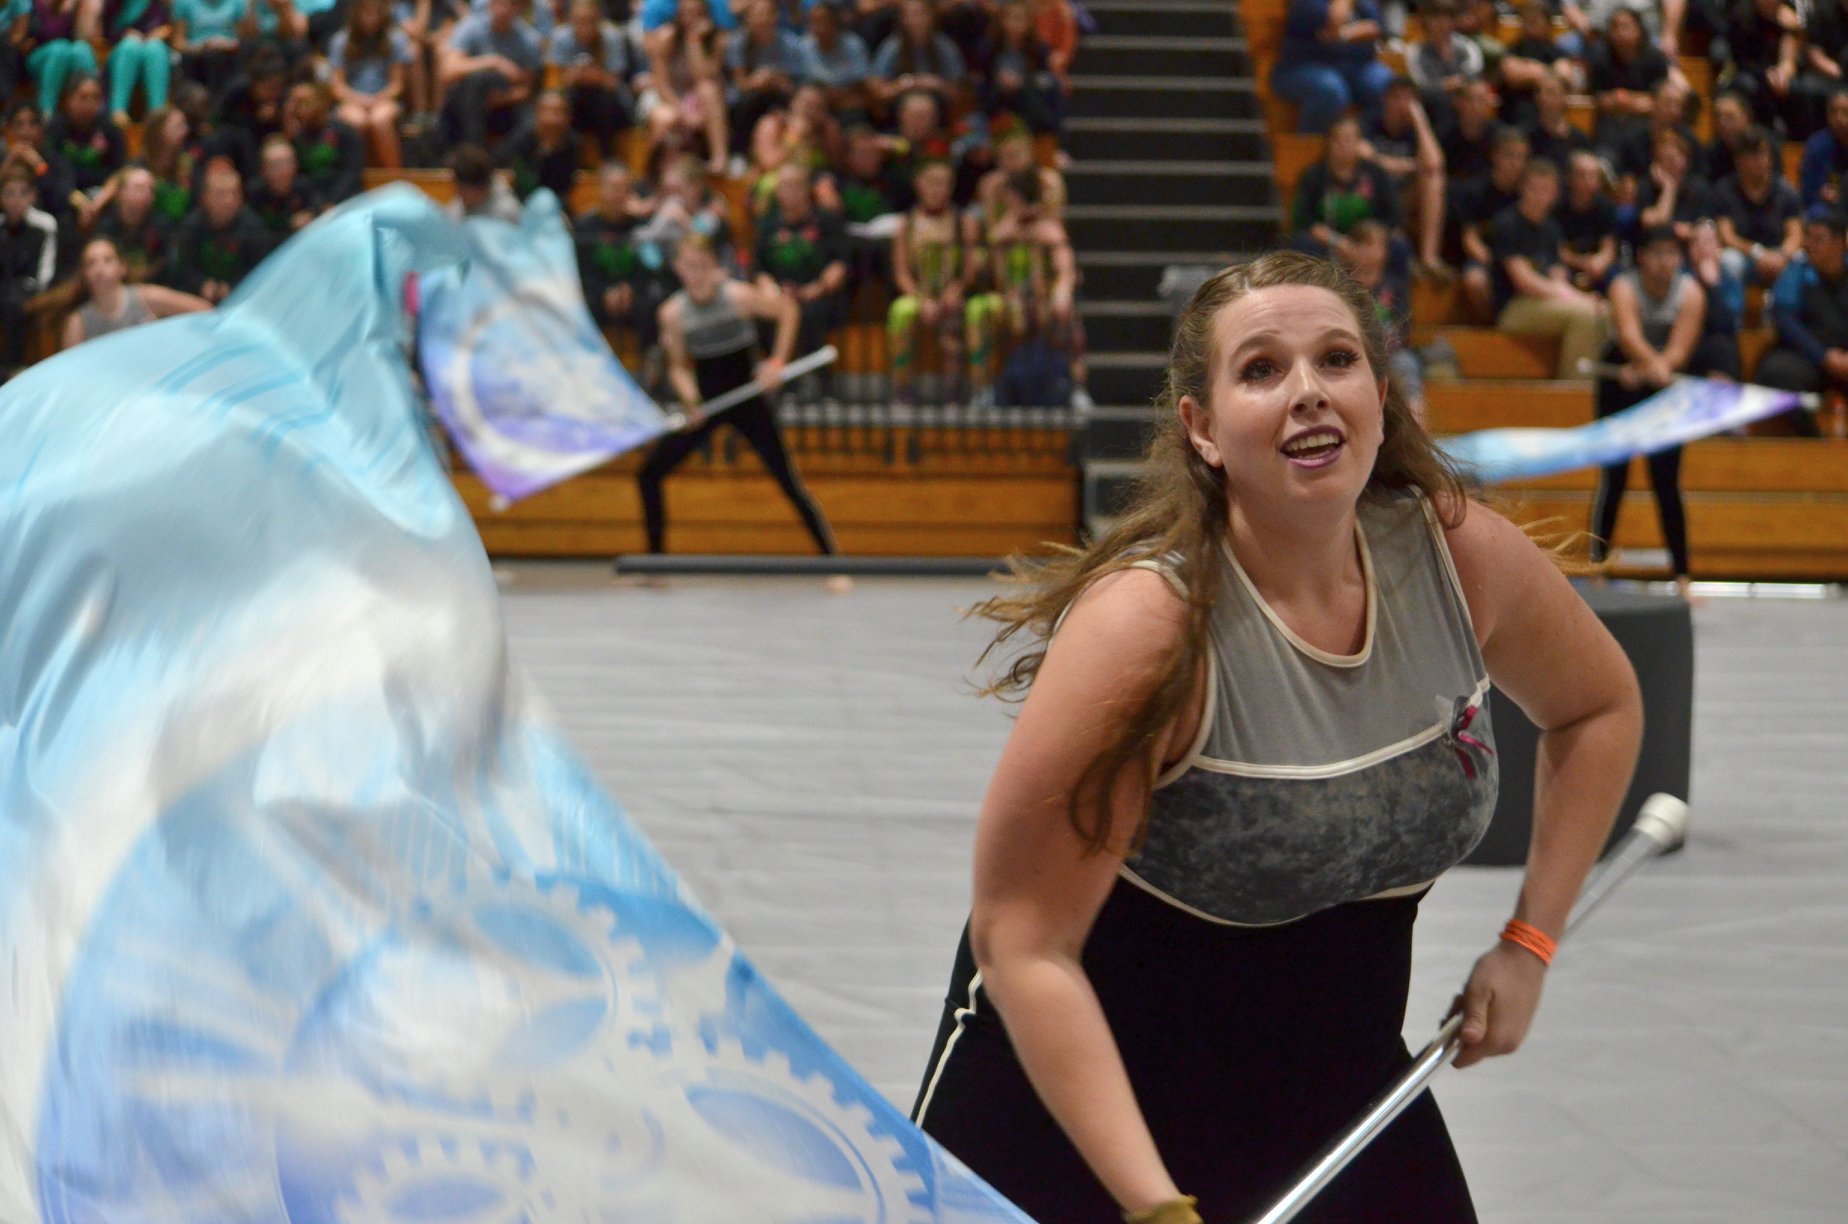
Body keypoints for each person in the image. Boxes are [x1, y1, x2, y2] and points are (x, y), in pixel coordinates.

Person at [911, 250, 1644, 1223]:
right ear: (1202, 429)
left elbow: (1599, 709)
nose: (1308, 391)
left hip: (1337, 1089)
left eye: (1337, 359)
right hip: (1074, 1110)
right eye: (1261, 370)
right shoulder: (1148, 628)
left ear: (1380, 395)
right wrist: (1155, 1208)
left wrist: (1530, 942)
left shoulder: (1460, 558)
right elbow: (1023, 944)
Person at [640, 232, 838, 554]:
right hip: (709, 403)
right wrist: (691, 400)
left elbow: (788, 310)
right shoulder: (672, 313)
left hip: (748, 399)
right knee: (649, 474)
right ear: (677, 268)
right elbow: (678, 366)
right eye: (689, 267)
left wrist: (776, 362)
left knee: (788, 481)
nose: (696, 275)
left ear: (714, 265)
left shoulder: (738, 296)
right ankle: (654, 563)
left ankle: (832, 562)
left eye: (702, 266)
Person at [1592, 225, 1730, 596]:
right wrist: (1647, 366)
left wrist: (1658, 369)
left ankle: (1682, 576)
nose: (1665, 262)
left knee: (1667, 481)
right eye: (1657, 253)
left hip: (1664, 382)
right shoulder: (1623, 287)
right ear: (1641, 257)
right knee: (1614, 477)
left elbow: (1681, 347)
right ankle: (1597, 570)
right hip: (1619, 383)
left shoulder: (1691, 292)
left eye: (1671, 254)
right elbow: (1628, 336)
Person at [1490, 157, 1610, 378]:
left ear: (1555, 194)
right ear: (1522, 188)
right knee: (1585, 315)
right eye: (1533, 188)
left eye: (1546, 190)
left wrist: (1579, 297)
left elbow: (1558, 276)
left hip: (1546, 302)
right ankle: (1574, 390)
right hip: (1514, 307)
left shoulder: (1551, 229)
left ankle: (1594, 387)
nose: (1539, 195)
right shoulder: (1508, 224)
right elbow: (1524, 281)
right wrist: (1576, 300)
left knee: (1603, 312)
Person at [888, 157, 982, 405]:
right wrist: (922, 299)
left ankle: (953, 392)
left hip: (952, 294)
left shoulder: (964, 222)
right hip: (918, 294)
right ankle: (902, 389)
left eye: (943, 183)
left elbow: (969, 270)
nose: (937, 189)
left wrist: (954, 291)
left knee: (955, 313)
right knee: (900, 311)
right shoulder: (906, 224)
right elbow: (901, 273)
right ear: (918, 184)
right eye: (931, 182)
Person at [1756, 206, 1847, 434]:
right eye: (1808, 238)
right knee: (1775, 373)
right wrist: (1824, 356)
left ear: (1839, 243)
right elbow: (1784, 319)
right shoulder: (1797, 271)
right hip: (1809, 358)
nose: (1809, 245)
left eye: (1819, 239)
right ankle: (1813, 439)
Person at [1271, 0, 1395, 134]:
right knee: (1330, 89)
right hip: (1302, 68)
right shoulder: (1306, 3)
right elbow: (1334, 22)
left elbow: (1376, 28)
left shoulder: (1364, 4)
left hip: (1356, 68)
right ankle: (1311, 144)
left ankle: (1366, 140)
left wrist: (1343, 35)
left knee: (1386, 84)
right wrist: (1354, 30)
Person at [62, 234, 208, 347]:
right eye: (91, 263)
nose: (99, 270)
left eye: (107, 260)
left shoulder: (147, 297)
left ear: (122, 267)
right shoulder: (78, 323)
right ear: (83, 274)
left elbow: (204, 309)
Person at [1290, 113, 1401, 260]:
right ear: (1329, 142)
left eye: (1349, 139)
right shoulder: (1314, 175)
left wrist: (1373, 240)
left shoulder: (1376, 173)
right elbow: (1303, 220)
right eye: (1338, 140)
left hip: (1369, 240)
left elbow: (1393, 217)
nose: (1343, 146)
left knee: (1399, 246)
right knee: (1303, 243)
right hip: (1328, 241)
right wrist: (1338, 242)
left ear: (1359, 143)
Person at [1363, 77, 1446, 272]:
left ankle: (1429, 258)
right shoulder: (1371, 121)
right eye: (1397, 98)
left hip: (1405, 196)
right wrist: (1411, 166)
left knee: (1434, 180)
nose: (1403, 105)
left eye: (1409, 99)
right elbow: (1364, 156)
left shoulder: (1416, 129)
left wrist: (1420, 122)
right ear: (1386, 99)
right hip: (1375, 194)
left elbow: (1434, 164)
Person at [439, 0, 543, 151]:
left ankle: (494, 159)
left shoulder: (529, 39)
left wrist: (503, 99)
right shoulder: (470, 28)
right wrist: (493, 61)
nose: (506, 8)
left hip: (506, 102)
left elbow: (526, 90)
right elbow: (448, 72)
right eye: (501, 2)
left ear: (522, 8)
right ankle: (473, 149)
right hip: (466, 102)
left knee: (532, 122)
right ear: (491, 4)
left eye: (513, 4)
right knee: (478, 80)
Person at [167, 159, 271, 303]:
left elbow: (260, 269)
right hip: (196, 299)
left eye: (234, 194)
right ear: (206, 198)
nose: (228, 200)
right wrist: (201, 284)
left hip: (242, 299)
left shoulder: (253, 226)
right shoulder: (191, 226)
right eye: (221, 194)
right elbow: (183, 267)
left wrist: (233, 286)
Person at [1714, 126, 1803, 285]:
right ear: (1739, 160)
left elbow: (1795, 234)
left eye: (1763, 153)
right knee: (1728, 260)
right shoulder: (1725, 190)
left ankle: (1783, 301)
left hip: (1778, 254)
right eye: (1752, 155)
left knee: (1801, 258)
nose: (1760, 160)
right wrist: (1758, 253)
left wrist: (1781, 255)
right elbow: (1727, 236)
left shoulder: (1785, 190)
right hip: (1746, 255)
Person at [329, 0, 413, 169]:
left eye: (375, 13)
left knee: (380, 120)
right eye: (366, 13)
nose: (371, 18)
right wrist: (360, 100)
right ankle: (353, 176)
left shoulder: (395, 39)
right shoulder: (340, 40)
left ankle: (395, 176)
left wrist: (377, 99)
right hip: (352, 100)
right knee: (356, 121)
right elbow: (337, 87)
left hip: (384, 99)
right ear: (356, 13)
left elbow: (397, 85)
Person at [549, 0, 632, 157]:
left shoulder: (612, 37)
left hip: (610, 105)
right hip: (575, 103)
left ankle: (608, 157)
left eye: (590, 21)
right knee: (562, 103)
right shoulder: (561, 37)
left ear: (599, 19)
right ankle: (567, 158)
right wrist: (574, 77)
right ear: (570, 20)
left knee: (601, 98)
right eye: (580, 21)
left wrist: (595, 77)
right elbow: (556, 83)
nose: (585, 27)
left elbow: (614, 83)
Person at [1, 162, 58, 379]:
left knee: (13, 302)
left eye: (22, 193)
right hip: (4, 287)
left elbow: (46, 269)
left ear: (32, 195)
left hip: (31, 288)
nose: (16, 200)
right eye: (9, 193)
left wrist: (37, 290)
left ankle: (14, 367)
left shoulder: (44, 224)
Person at [284, 82, 365, 205]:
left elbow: (351, 173)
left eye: (304, 102)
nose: (299, 108)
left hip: (344, 200)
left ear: (321, 102)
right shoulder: (294, 138)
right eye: (294, 103)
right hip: (311, 203)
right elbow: (299, 178)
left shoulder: (345, 132)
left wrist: (331, 202)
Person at [501, 88, 581, 200]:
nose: (553, 119)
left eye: (558, 112)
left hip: (557, 200)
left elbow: (566, 184)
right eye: (548, 111)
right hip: (522, 198)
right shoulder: (522, 139)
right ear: (537, 113)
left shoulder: (572, 142)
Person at [1557, 149, 1620, 291]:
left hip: (1597, 264)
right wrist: (1582, 263)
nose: (1588, 181)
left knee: (1618, 281)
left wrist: (1600, 262)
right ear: (1570, 177)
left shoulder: (1606, 207)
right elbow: (1557, 249)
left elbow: (1609, 247)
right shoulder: (1558, 206)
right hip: (1568, 265)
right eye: (1582, 175)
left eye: (1592, 175)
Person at [94, 164, 172, 277]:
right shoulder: (104, 227)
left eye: (150, 189)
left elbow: (165, 262)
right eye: (139, 188)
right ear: (120, 192)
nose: (146, 194)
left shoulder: (162, 225)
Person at [245, 134, 321, 237]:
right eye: (276, 165)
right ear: (263, 170)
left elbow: (320, 210)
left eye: (288, 162)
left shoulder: (303, 185)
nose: (284, 171)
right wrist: (288, 225)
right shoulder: (255, 194)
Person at [1408, 0, 1484, 101]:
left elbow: (1474, 75)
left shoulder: (1467, 46)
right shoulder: (1416, 51)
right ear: (1425, 21)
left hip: (1464, 100)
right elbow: (1421, 86)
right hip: (1432, 104)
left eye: (1446, 18)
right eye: (1435, 18)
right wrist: (1445, 85)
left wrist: (1458, 84)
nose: (1441, 23)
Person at [1798, 87, 1848, 207]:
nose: (1839, 118)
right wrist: (1821, 192)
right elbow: (1807, 191)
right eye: (1833, 112)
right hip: (1827, 208)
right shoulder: (1816, 146)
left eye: (1845, 112)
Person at [446, 140, 521, 220]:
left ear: (480, 188)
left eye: (462, 189)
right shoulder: (460, 203)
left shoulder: (506, 212)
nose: (458, 193)